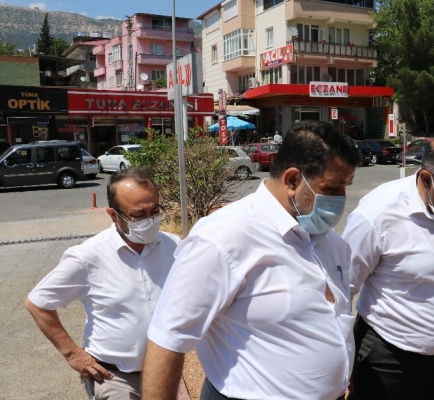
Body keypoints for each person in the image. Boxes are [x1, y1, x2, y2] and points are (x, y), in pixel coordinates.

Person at [142, 120, 361, 400]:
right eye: (331, 188)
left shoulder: (330, 241)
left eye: (346, 186)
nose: (341, 199)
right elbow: (168, 339)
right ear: (293, 180)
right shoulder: (223, 238)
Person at [343, 132, 434, 400]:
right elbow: (341, 290)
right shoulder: (378, 214)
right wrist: (342, 358)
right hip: (388, 360)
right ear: (426, 179)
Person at [25, 166, 180, 399]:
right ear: (113, 215)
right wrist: (72, 354)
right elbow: (37, 303)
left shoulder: (173, 246)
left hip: (164, 372)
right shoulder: (87, 256)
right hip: (115, 378)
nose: (149, 220)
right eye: (138, 215)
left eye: (154, 211)